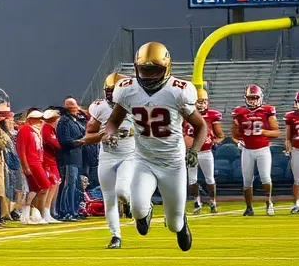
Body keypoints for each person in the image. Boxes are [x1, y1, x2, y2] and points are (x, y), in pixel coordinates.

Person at [105, 43, 206, 252]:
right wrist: (109, 133)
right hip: (144, 160)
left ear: (167, 68)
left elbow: (200, 125)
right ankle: (145, 213)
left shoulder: (177, 91)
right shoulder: (127, 90)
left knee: (174, 223)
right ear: (136, 68)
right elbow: (113, 120)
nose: (149, 76)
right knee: (138, 209)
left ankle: (181, 224)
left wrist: (194, 150)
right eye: (145, 70)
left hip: (173, 164)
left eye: (155, 70)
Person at [84, 72, 137, 248]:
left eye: (113, 90)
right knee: (109, 198)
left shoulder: (136, 106)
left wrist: (131, 132)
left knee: (122, 191)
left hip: (129, 155)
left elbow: (150, 130)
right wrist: (102, 135)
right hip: (107, 155)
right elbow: (88, 136)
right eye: (108, 90)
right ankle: (116, 236)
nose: (110, 94)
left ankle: (133, 204)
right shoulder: (99, 107)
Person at [232, 84, 279, 216]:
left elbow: (276, 132)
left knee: (265, 178)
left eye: (255, 98)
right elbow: (235, 135)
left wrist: (263, 131)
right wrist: (237, 137)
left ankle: (269, 202)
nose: (252, 100)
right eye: (250, 98)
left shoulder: (267, 111)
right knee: (247, 180)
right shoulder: (239, 112)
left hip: (263, 149)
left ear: (260, 98)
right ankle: (248, 207)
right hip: (247, 150)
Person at [185, 88, 223, 213]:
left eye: (204, 102)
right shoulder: (186, 114)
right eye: (200, 101)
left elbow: (220, 135)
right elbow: (181, 132)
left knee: (210, 179)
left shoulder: (212, 115)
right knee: (192, 180)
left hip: (206, 151)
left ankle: (213, 201)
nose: (202, 104)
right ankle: (197, 201)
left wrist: (213, 142)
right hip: (191, 151)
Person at [54, 98, 85, 222]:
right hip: (68, 158)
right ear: (68, 107)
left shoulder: (74, 121)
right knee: (68, 186)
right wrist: (81, 141)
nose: (77, 108)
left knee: (75, 186)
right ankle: (66, 212)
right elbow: (64, 140)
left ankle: (73, 210)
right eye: (74, 106)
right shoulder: (64, 121)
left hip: (76, 157)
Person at [15, 109, 49, 224]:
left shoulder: (35, 130)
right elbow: (21, 149)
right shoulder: (25, 130)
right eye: (37, 119)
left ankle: (30, 213)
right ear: (30, 120)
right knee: (42, 186)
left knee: (37, 188)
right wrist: (25, 165)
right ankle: (30, 212)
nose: (40, 121)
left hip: (37, 161)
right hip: (31, 162)